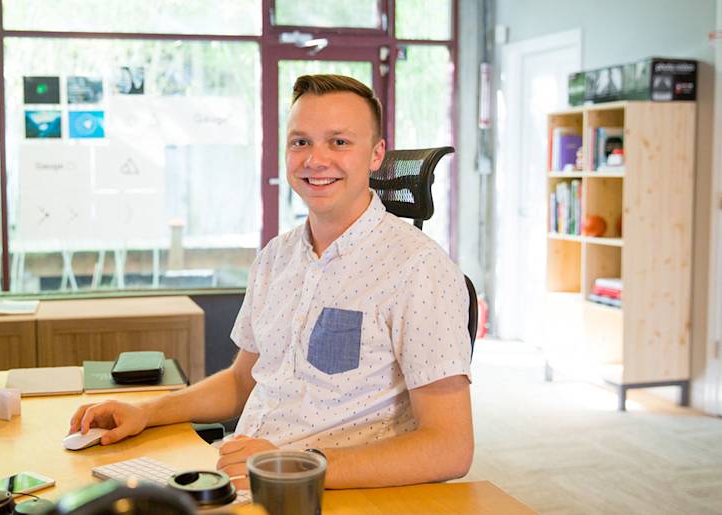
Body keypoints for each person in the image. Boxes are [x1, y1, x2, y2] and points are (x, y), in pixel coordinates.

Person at [69, 74, 473, 490]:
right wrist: (147, 412)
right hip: (238, 478)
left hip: (323, 494)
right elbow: (242, 382)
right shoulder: (276, 258)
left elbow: (450, 446)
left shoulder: (419, 269)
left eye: (338, 142)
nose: (315, 160)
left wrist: (290, 466)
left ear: (375, 155)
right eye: (301, 142)